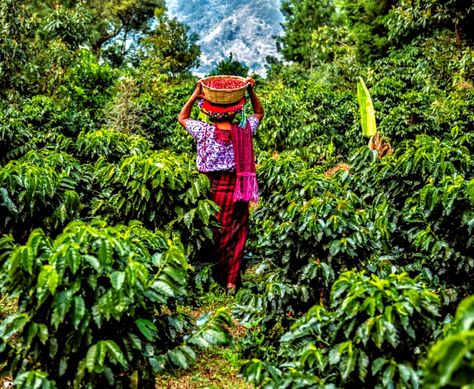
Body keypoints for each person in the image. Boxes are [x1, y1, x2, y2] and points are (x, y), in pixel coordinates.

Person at [177, 77, 264, 293]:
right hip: (239, 187)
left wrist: (196, 94)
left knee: (216, 231)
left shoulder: (203, 131)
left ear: (209, 113)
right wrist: (251, 91)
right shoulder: (245, 131)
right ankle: (232, 279)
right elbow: (259, 113)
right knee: (237, 229)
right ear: (235, 112)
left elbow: (182, 117)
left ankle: (215, 275)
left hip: (212, 187)